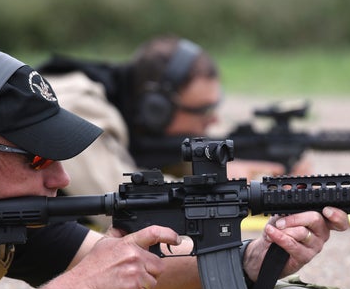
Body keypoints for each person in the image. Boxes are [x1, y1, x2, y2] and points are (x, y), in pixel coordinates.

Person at [0, 37, 349, 289]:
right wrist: (80, 288)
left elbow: (136, 282)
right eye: (39, 159)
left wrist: (252, 260)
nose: (60, 179)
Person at [38, 35, 312, 208]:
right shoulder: (77, 105)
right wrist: (225, 188)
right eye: (202, 111)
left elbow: (150, 155)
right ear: (156, 109)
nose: (213, 119)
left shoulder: (132, 106)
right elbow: (123, 203)